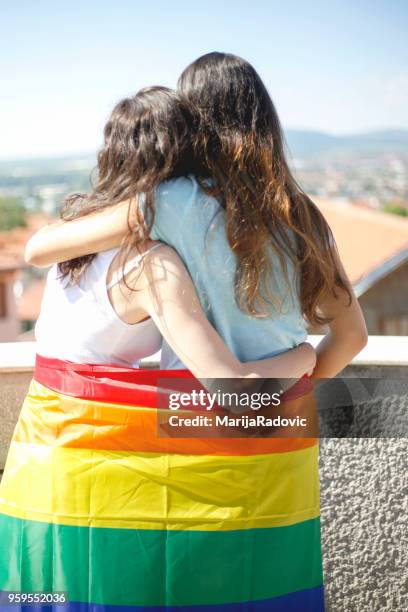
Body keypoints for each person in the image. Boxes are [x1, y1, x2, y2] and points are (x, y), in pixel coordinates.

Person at [23, 53, 368, 611]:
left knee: (190, 587)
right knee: (271, 580)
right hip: (283, 431)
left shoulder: (166, 204)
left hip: (194, 428)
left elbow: (42, 249)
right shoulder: (302, 212)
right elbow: (352, 337)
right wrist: (301, 365)